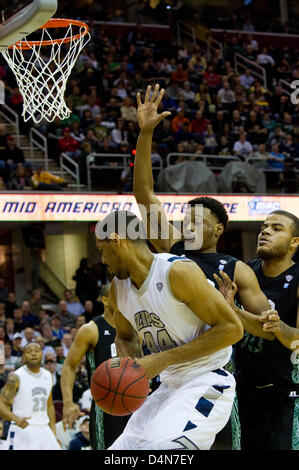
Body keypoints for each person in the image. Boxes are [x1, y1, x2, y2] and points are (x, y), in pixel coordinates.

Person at [93, 210, 243, 450]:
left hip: (207, 379)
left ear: (116, 240)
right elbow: (125, 336)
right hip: (167, 386)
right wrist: (130, 370)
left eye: (102, 250)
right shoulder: (118, 288)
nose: (102, 260)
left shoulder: (177, 271)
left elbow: (232, 329)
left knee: (162, 449)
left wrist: (159, 361)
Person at [133, 84, 271, 322]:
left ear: (219, 230)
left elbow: (266, 328)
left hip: (215, 356)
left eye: (196, 221)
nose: (188, 227)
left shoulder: (236, 270)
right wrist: (146, 133)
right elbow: (144, 195)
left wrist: (233, 310)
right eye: (186, 221)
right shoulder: (173, 247)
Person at [220, 210, 299, 450]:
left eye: (277, 228)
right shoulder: (244, 271)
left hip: (286, 395)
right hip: (243, 390)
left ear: (294, 242)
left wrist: (278, 326)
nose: (265, 231)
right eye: (264, 227)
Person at [61, 296, 130, 450]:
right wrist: (67, 402)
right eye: (118, 294)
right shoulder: (91, 329)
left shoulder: (132, 325)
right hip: (105, 404)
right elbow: (69, 366)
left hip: (133, 402)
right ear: (106, 300)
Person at [0, 342, 60, 450]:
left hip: (44, 428)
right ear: (23, 357)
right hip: (23, 428)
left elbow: (49, 405)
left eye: (37, 351)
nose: (33, 354)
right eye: (29, 351)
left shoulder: (48, 375)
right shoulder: (16, 377)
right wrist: (15, 418)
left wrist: (53, 432)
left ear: (42, 354)